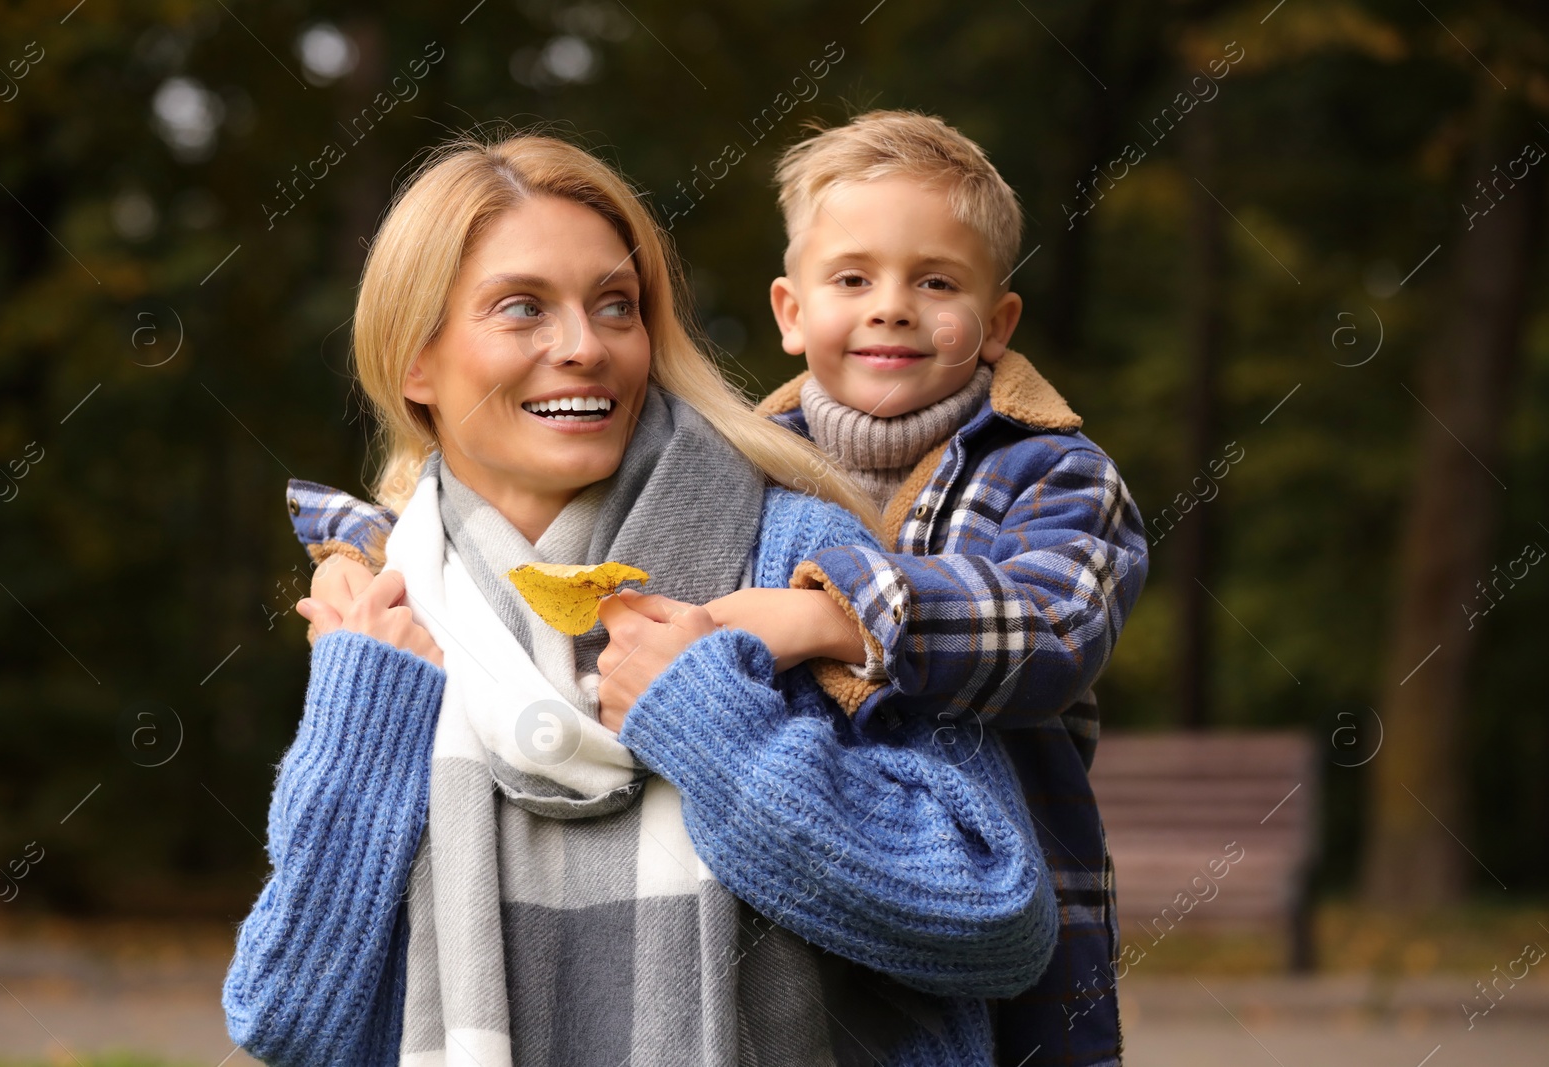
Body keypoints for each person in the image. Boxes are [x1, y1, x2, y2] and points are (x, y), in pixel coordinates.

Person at [223, 131, 1059, 1067]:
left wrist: (713, 727)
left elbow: (995, 918)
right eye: (521, 309)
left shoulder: (797, 557)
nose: (584, 347)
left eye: (616, 306)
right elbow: (292, 1018)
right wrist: (365, 719)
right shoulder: (392, 601)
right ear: (415, 360)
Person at [690, 110, 1150, 1067]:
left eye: (935, 281)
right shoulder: (736, 472)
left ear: (996, 322)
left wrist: (832, 614)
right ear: (789, 311)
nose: (891, 305)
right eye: (852, 278)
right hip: (792, 900)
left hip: (1010, 923)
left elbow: (1053, 625)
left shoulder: (1056, 473)